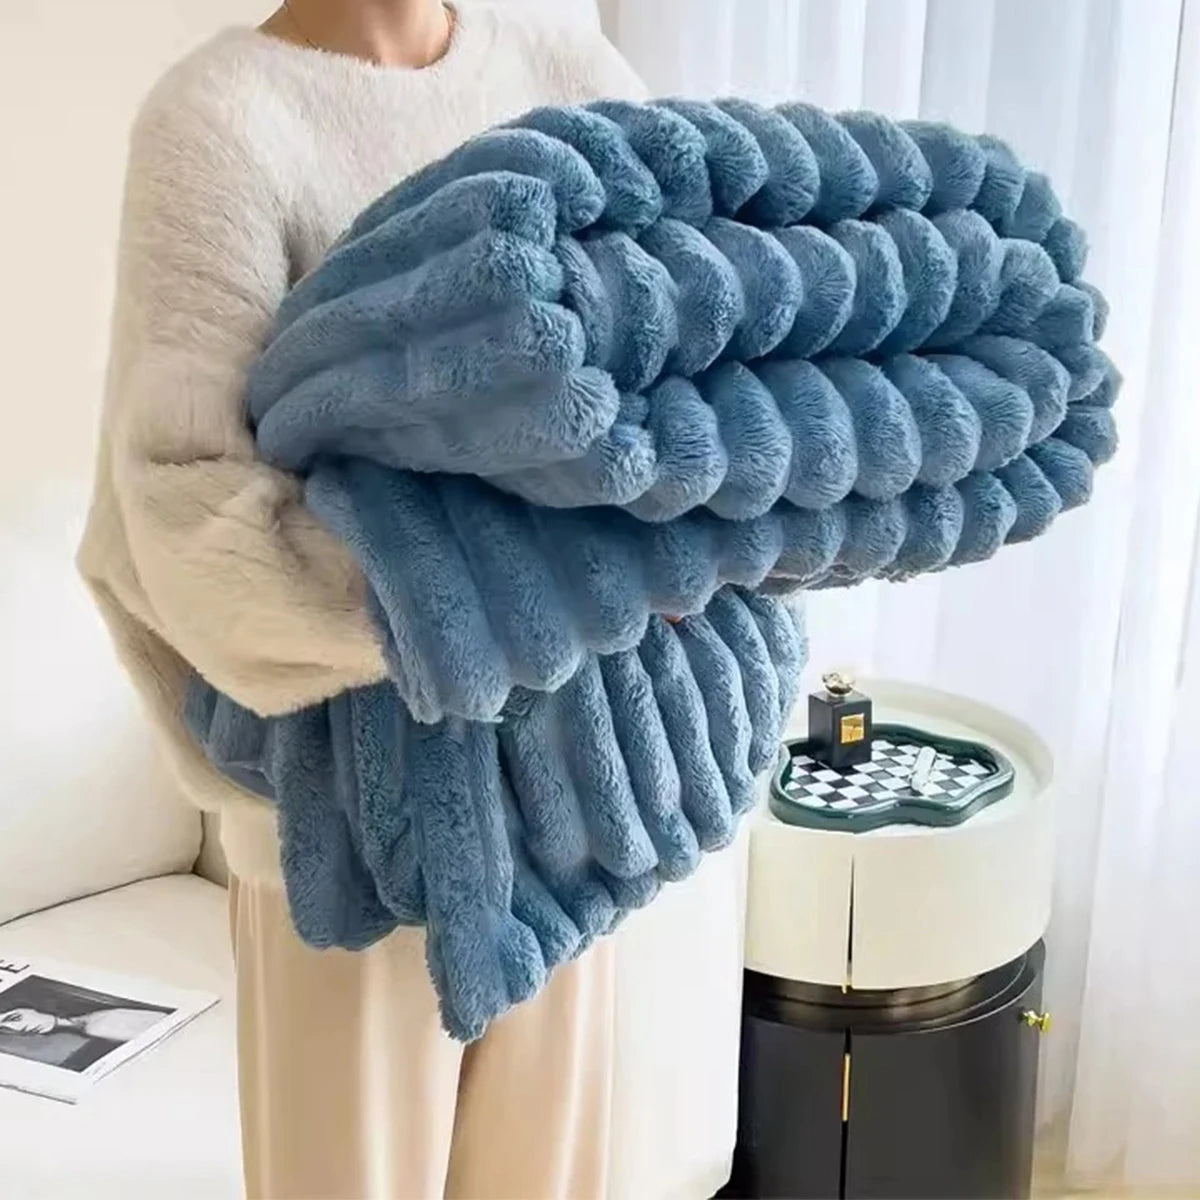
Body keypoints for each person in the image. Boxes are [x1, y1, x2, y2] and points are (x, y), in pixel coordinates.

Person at [77, 3, 646, 1196]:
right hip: (344, 840)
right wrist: (529, 586)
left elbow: (690, 366)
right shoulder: (219, 121)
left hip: (569, 808)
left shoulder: (567, 67)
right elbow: (186, 517)